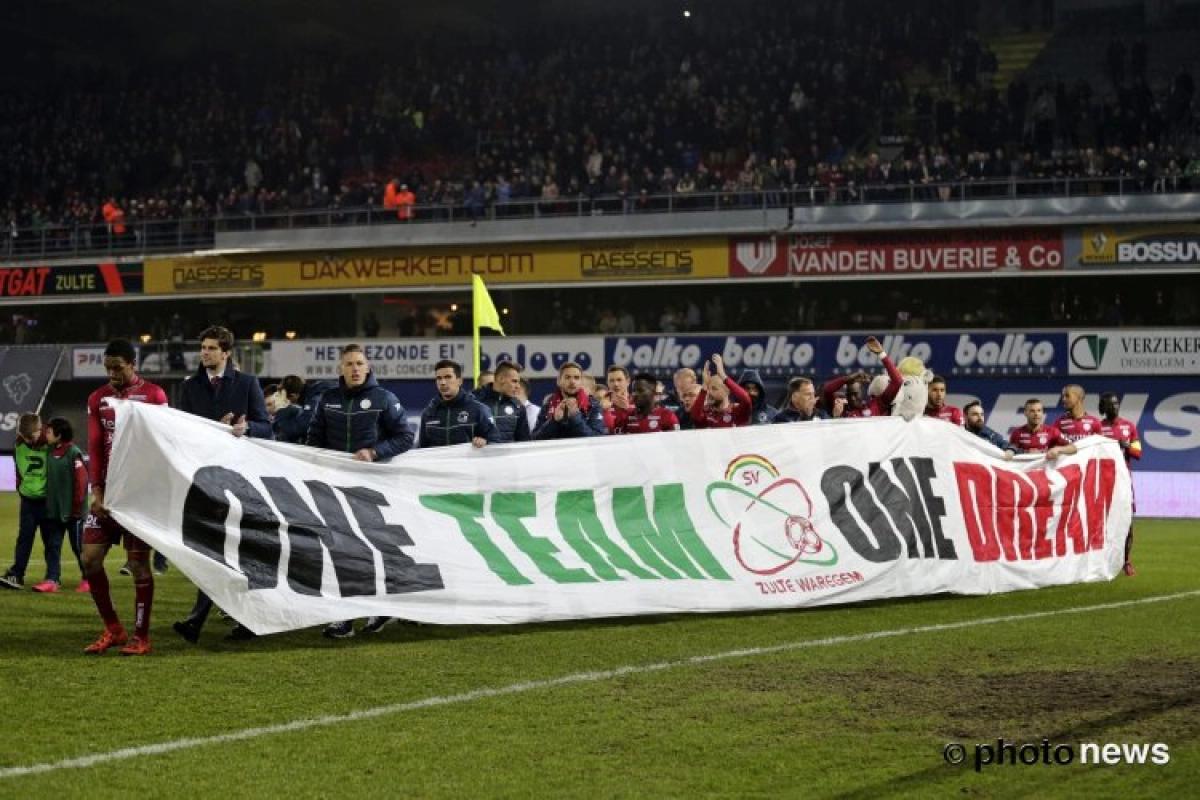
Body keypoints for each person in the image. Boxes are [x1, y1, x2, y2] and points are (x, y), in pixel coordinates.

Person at [172, 325, 273, 645]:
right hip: (203, 480)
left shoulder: (247, 383)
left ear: (226, 353)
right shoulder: (190, 387)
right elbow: (182, 429)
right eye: (203, 347)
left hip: (241, 480)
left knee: (238, 551)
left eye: (212, 348)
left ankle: (200, 619)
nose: (205, 353)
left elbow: (265, 428)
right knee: (210, 550)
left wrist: (247, 427)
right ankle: (225, 619)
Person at [306, 343, 414, 638]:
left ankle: (381, 607)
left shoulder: (384, 398)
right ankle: (344, 617)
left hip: (372, 487)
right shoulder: (327, 399)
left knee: (373, 550)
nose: (355, 369)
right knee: (340, 550)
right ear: (340, 368)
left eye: (359, 363)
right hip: (335, 486)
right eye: (349, 364)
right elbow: (314, 439)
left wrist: (374, 452)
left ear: (368, 368)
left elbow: (405, 436)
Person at [81, 338, 169, 655]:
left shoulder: (155, 396)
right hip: (107, 494)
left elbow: (164, 444)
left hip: (138, 495)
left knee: (138, 565)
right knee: (89, 560)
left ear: (134, 364)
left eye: (117, 367)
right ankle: (114, 630)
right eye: (107, 367)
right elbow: (94, 446)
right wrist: (97, 490)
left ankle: (141, 636)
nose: (112, 373)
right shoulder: (97, 398)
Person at [38, 417, 89, 593]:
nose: (46, 434)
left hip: (73, 512)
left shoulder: (73, 453)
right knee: (52, 546)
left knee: (78, 547)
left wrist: (76, 508)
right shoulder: (50, 451)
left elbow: (82, 483)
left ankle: (88, 579)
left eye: (49, 432)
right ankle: (52, 580)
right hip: (54, 510)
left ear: (59, 435)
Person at [0, 414, 50, 591]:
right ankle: (17, 575)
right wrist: (22, 491)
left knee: (51, 541)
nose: (28, 440)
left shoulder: (52, 443)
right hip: (28, 502)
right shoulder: (19, 444)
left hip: (48, 502)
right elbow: (19, 471)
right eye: (24, 436)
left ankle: (52, 578)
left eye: (31, 436)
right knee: (24, 538)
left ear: (41, 429)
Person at [1098, 392, 1142, 576]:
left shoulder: (1129, 426)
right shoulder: (1098, 428)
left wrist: (1126, 445)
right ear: (1103, 407)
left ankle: (1126, 561)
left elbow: (1138, 454)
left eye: (1116, 404)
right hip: (1103, 480)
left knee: (1127, 522)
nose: (1114, 407)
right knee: (1101, 522)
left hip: (1123, 481)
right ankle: (1101, 561)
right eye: (1110, 404)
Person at [416, 360, 501, 449]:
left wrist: (485, 442)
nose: (443, 382)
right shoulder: (429, 413)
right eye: (439, 378)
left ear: (459, 381)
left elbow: (495, 442)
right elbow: (422, 449)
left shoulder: (479, 409)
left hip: (469, 463)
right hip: (438, 463)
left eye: (448, 377)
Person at [820, 336, 902, 418]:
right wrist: (846, 379)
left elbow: (897, 381)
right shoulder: (841, 409)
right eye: (849, 394)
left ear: (862, 392)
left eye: (855, 394)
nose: (852, 398)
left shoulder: (876, 405)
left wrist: (882, 355)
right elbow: (827, 390)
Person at [533, 361, 607, 439]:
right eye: (567, 377)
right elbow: (535, 439)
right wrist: (553, 421)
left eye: (576, 378)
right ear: (559, 381)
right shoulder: (548, 404)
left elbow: (597, 439)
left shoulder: (593, 406)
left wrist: (575, 416)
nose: (572, 381)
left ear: (581, 382)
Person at [473, 360, 533, 443]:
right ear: (501, 379)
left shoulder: (518, 407)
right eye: (514, 381)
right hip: (481, 456)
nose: (518, 386)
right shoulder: (475, 401)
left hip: (508, 456)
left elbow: (525, 443)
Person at [690, 354, 753, 429]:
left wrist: (723, 376)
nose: (709, 392)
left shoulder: (736, 411)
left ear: (727, 391)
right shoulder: (706, 412)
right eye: (708, 389)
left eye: (714, 388)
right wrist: (704, 387)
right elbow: (694, 415)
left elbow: (746, 400)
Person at [272, 374, 336, 444]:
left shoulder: (314, 400)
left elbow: (296, 431)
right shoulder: (314, 392)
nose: (288, 402)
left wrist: (281, 409)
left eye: (286, 399)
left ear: (294, 396)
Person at [1009, 398, 1076, 459]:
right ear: (1025, 413)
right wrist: (1026, 453)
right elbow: (1011, 453)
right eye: (1032, 411)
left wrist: (1057, 449)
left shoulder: (1052, 431)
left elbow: (1073, 448)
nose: (1036, 414)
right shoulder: (1016, 433)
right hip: (1024, 470)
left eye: (1039, 410)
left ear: (1042, 413)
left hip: (1045, 470)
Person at [611, 377, 680, 434]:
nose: (635, 394)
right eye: (634, 391)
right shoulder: (627, 417)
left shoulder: (668, 416)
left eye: (640, 391)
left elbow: (676, 443)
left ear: (652, 392)